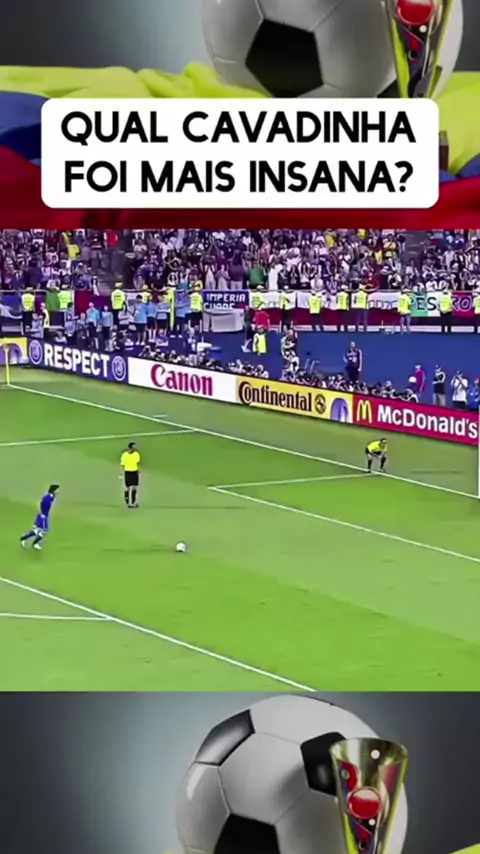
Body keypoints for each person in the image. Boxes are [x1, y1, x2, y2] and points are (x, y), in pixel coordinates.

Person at [20, 484, 59, 551]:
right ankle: (33, 543)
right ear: (54, 490)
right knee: (44, 531)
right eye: (57, 490)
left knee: (37, 531)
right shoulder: (48, 498)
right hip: (43, 516)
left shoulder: (50, 496)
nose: (58, 491)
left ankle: (24, 539)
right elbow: (41, 504)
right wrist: (42, 513)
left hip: (44, 516)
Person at [120, 442, 141, 509]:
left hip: (134, 471)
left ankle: (134, 502)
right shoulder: (124, 455)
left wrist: (138, 470)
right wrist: (121, 473)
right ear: (130, 448)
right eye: (133, 447)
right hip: (128, 471)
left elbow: (137, 463)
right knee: (129, 488)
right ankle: (129, 503)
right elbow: (122, 464)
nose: (135, 449)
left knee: (135, 487)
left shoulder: (136, 454)